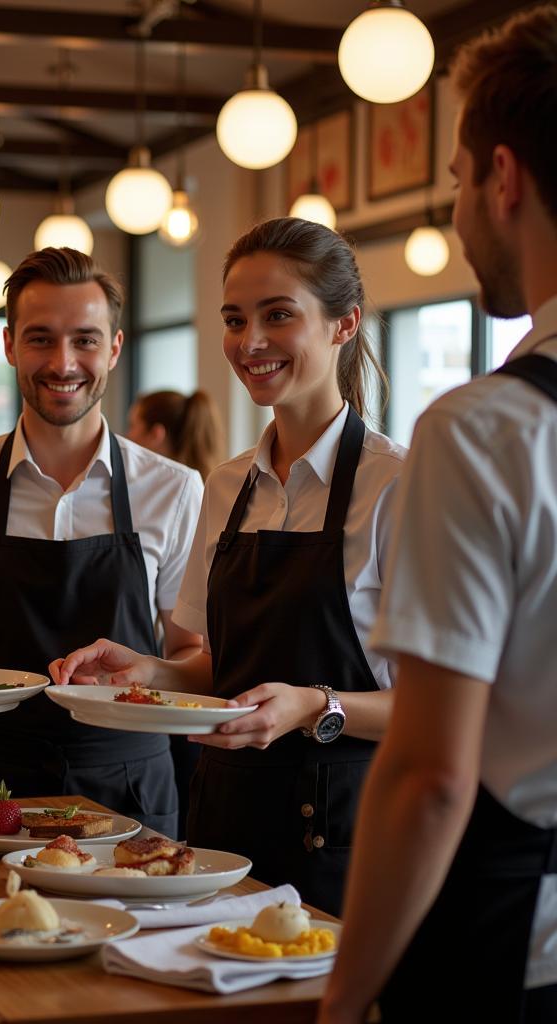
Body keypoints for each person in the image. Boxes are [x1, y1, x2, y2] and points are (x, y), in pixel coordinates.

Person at [52, 218, 405, 916]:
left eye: (279, 315)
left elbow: (434, 710)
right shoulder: (225, 485)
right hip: (220, 827)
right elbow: (224, 670)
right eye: (235, 319)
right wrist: (145, 672)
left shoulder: (398, 484)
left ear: (344, 324)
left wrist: (313, 707)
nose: (250, 343)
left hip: (340, 835)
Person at [319, 9, 557, 1023]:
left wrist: (344, 1001)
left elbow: (427, 777)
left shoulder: (486, 430)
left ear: (503, 178)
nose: (462, 209)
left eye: (458, 179)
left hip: (514, 952)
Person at [0, 247, 204, 835]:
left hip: (130, 783)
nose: (64, 362)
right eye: (40, 339)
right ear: (9, 346)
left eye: (84, 339)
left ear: (114, 347)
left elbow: (190, 655)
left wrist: (144, 676)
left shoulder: (174, 490)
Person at [126, 388, 226, 839]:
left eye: (133, 426)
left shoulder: (189, 493)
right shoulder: (222, 485)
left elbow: (188, 641)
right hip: (184, 707)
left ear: (156, 434)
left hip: (176, 716)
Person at [125, 389, 225, 484]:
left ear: (155, 434)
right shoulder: (210, 487)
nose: (127, 435)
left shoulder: (174, 492)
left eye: (132, 426)